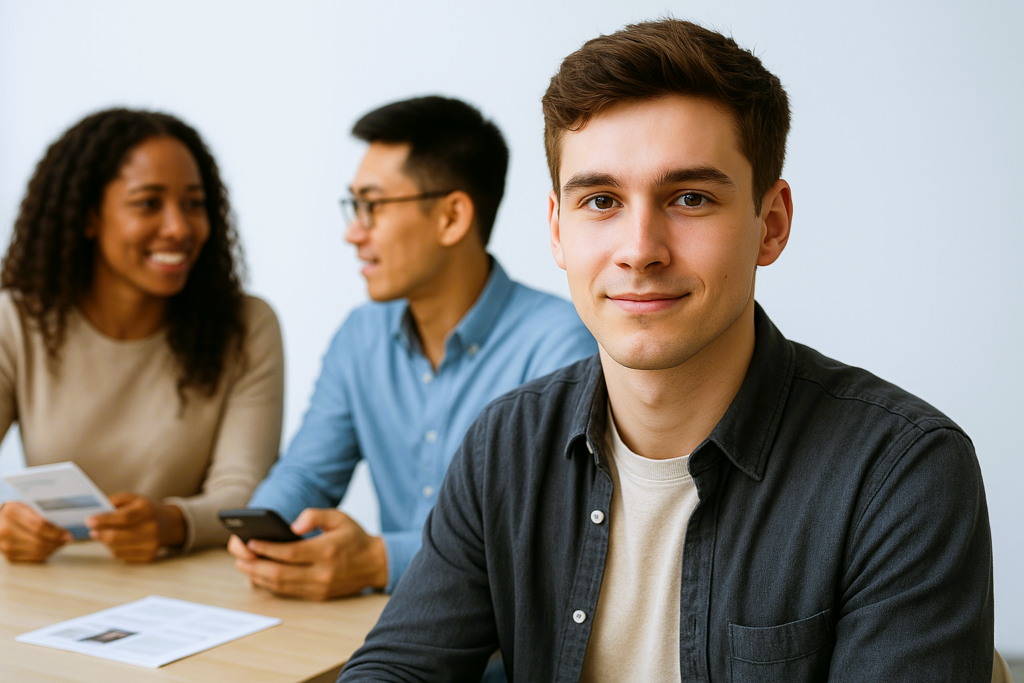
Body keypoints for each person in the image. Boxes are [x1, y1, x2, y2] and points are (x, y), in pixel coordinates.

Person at [340, 20, 994, 682]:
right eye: (601, 200)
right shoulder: (505, 444)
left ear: (771, 225)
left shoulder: (901, 473)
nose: (640, 249)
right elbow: (397, 667)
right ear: (558, 231)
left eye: (690, 197)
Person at [229, 96, 596, 600]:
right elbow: (307, 473)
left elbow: (544, 537)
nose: (353, 233)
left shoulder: (559, 345)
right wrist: (260, 528)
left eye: (373, 206)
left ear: (451, 217)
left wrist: (379, 561)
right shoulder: (361, 335)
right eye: (353, 205)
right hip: (381, 631)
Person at [0, 109, 284, 564]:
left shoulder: (247, 326)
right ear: (88, 217)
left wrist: (172, 523)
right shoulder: (16, 321)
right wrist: (4, 520)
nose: (179, 227)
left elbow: (243, 492)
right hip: (54, 584)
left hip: (192, 589)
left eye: (194, 204)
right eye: (149, 203)